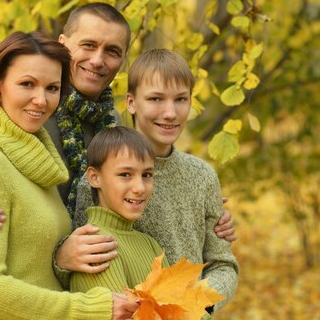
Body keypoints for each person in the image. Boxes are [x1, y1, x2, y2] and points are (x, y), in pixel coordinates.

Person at [0, 3, 235, 270]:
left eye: (112, 51)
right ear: (63, 44)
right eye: (88, 45)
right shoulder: (35, 110)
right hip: (35, 281)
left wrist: (199, 207)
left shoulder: (112, 120)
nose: (98, 60)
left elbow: (137, 176)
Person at [0, 31, 136, 319]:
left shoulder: (35, 156)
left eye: (52, 88)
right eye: (27, 84)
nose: (41, 100)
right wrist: (89, 309)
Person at [74, 49, 238, 313]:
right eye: (155, 99)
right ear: (131, 102)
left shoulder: (202, 176)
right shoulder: (99, 177)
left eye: (181, 99)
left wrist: (195, 308)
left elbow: (223, 264)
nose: (170, 112)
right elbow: (80, 256)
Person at [70, 127, 169, 293]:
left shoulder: (150, 244)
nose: (139, 188)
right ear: (94, 177)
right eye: (125, 174)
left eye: (146, 175)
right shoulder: (95, 245)